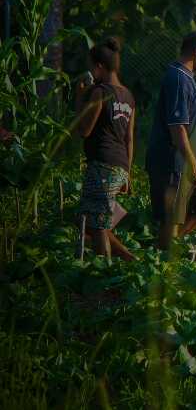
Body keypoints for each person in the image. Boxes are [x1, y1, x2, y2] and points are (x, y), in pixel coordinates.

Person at [71, 37, 137, 262]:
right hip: (119, 166)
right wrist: (128, 172)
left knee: (97, 226)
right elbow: (129, 139)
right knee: (94, 222)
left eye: (92, 67)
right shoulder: (128, 96)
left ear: (99, 67)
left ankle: (104, 272)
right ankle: (129, 259)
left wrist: (80, 98)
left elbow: (84, 129)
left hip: (102, 165)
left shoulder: (100, 92)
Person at [146, 30, 196, 252]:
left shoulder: (186, 78)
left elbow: (189, 127)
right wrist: (192, 162)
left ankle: (168, 248)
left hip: (185, 161)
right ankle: (163, 255)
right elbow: (177, 128)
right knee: (171, 218)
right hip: (172, 161)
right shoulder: (177, 78)